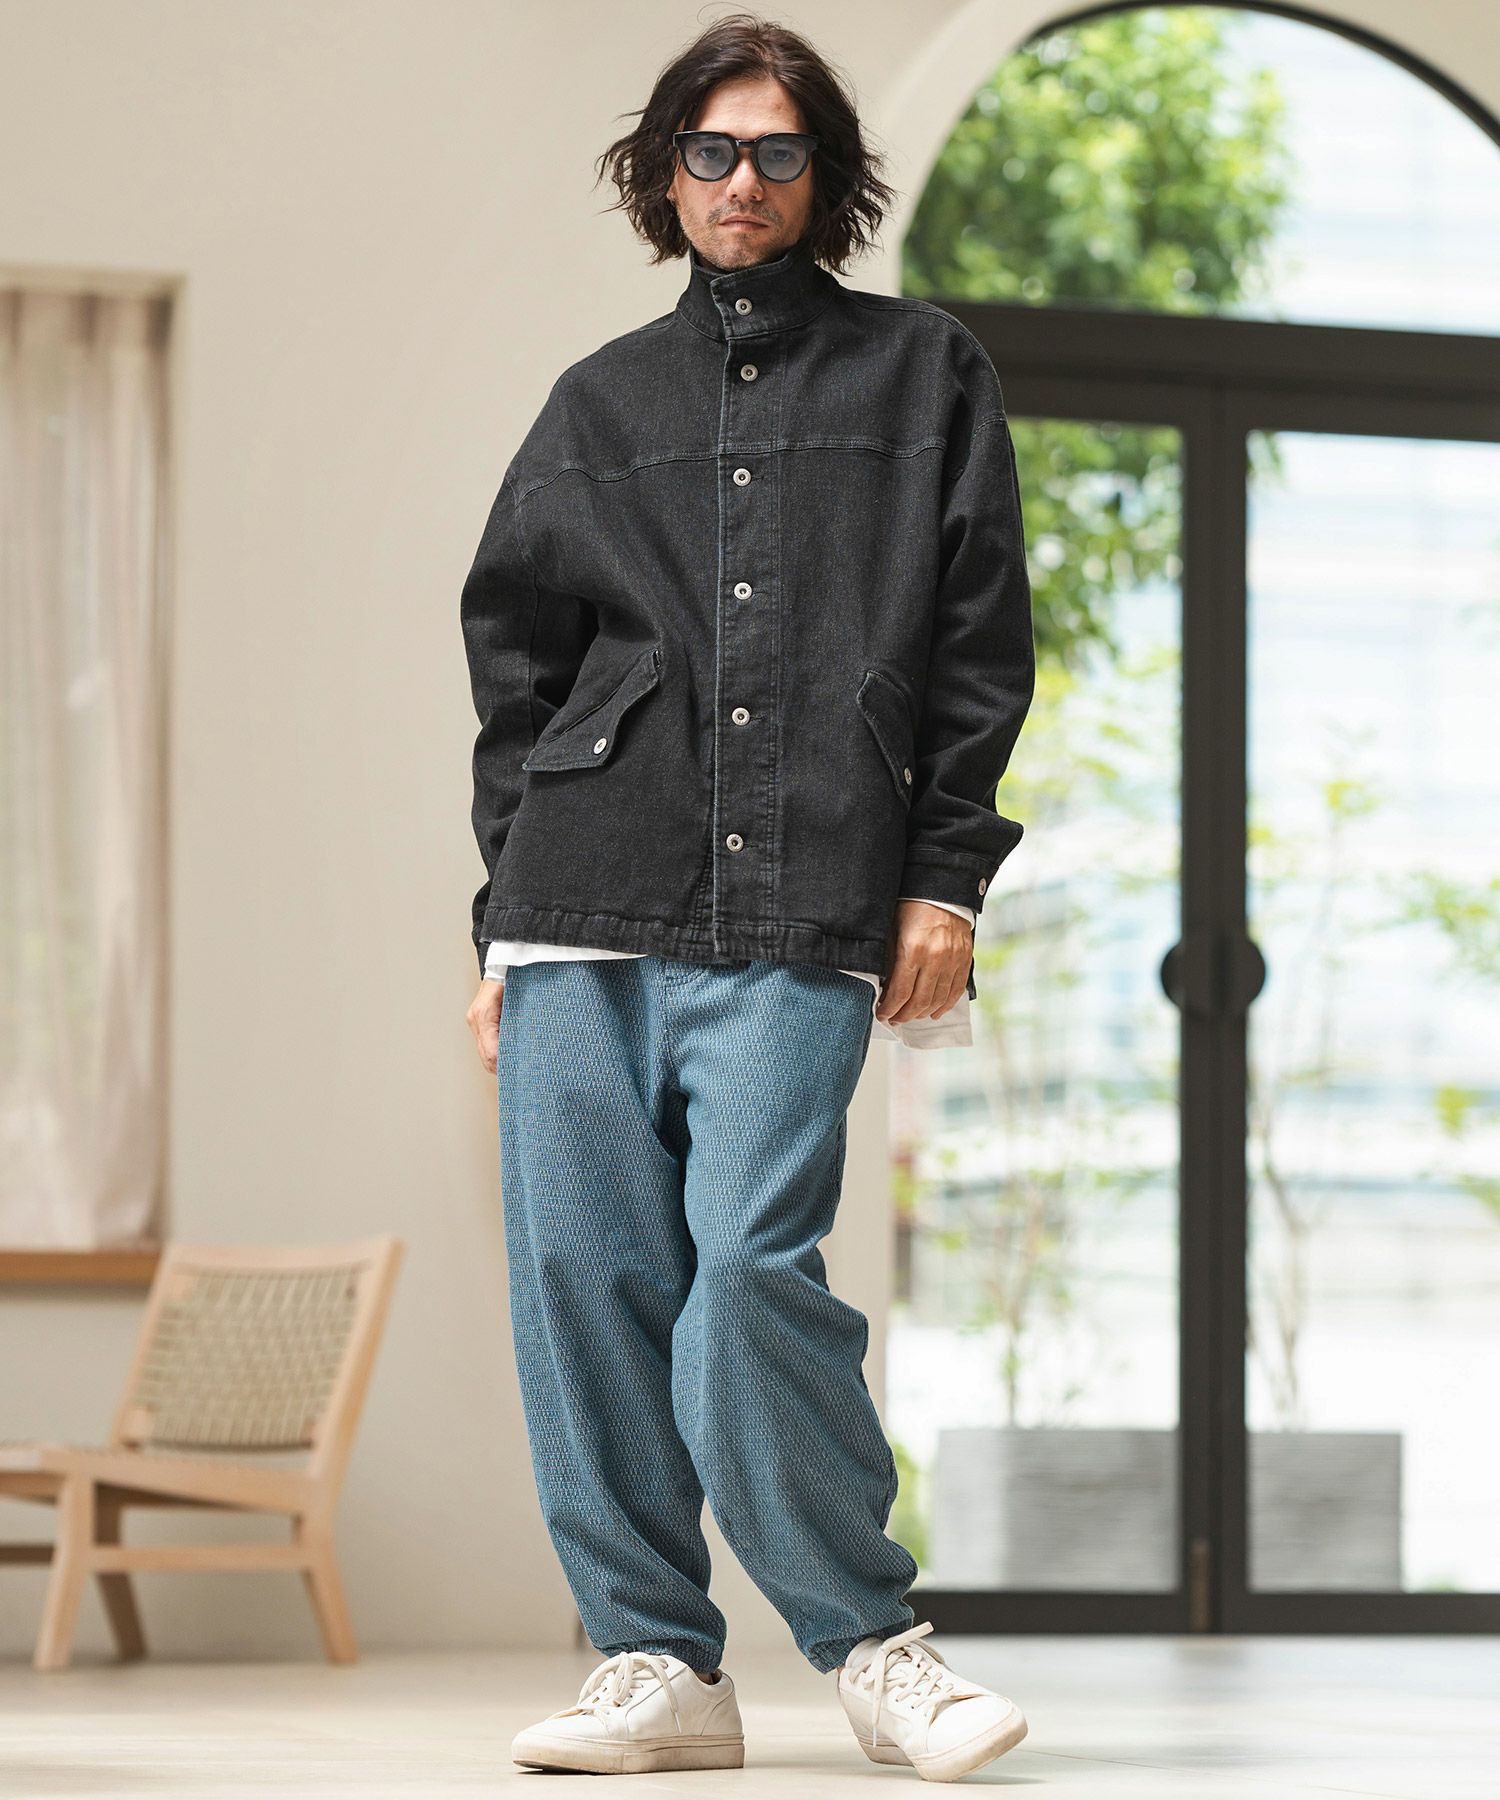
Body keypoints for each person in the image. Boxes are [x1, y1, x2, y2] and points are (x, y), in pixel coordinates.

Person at [461, 12, 1034, 1783]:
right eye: (710, 150)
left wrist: (945, 875)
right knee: (583, 1279)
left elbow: (977, 645)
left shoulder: (923, 373)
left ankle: (871, 1643)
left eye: (778, 151)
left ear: (822, 175)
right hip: (581, 899)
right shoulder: (597, 403)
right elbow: (517, 675)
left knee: (748, 1270)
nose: (741, 181)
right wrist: (495, 930)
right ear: (666, 173)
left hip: (805, 898)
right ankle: (656, 1663)